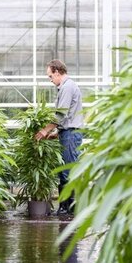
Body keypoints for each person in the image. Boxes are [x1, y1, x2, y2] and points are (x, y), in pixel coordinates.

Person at [34, 59, 83, 216]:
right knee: (67, 170)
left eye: (50, 76)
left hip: (70, 134)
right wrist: (57, 133)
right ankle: (68, 207)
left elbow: (61, 114)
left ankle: (67, 208)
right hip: (67, 133)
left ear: (57, 71)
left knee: (67, 171)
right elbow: (68, 115)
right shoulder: (67, 87)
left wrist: (44, 131)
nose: (50, 80)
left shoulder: (67, 87)